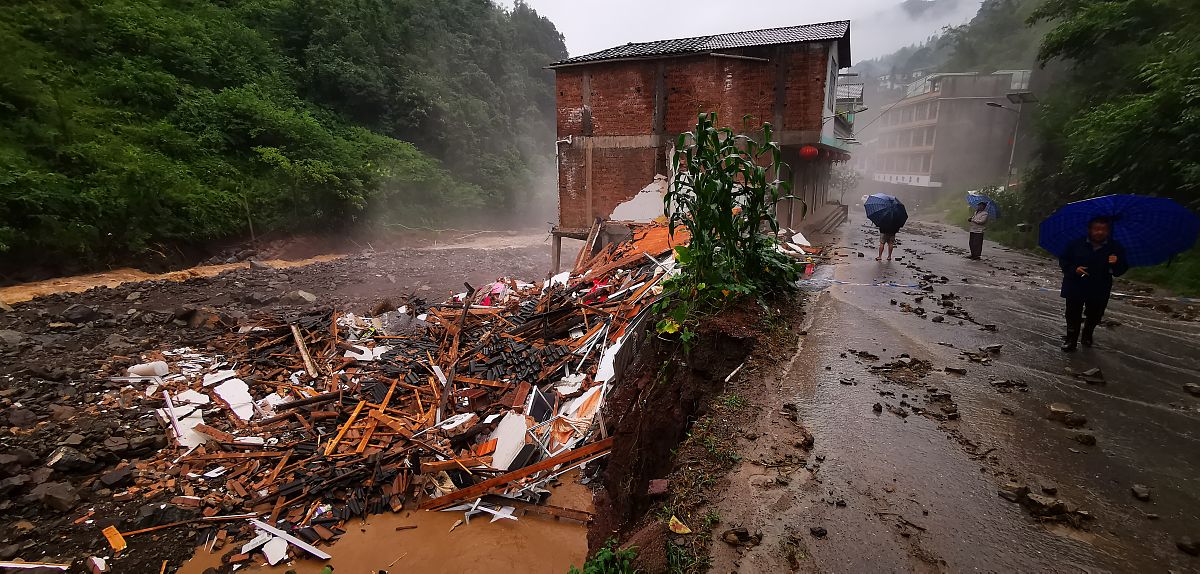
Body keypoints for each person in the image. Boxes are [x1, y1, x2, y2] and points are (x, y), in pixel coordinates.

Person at [1058, 217, 1129, 351]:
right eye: (1096, 229)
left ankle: (1087, 334)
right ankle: (1071, 339)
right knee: (1072, 313)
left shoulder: (1115, 248)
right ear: (1090, 230)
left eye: (1103, 229)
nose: (1099, 232)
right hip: (1076, 284)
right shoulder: (1075, 244)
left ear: (1108, 231)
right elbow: (1063, 261)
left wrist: (1116, 262)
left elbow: (1119, 271)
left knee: (1095, 314)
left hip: (1099, 286)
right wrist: (1074, 269)